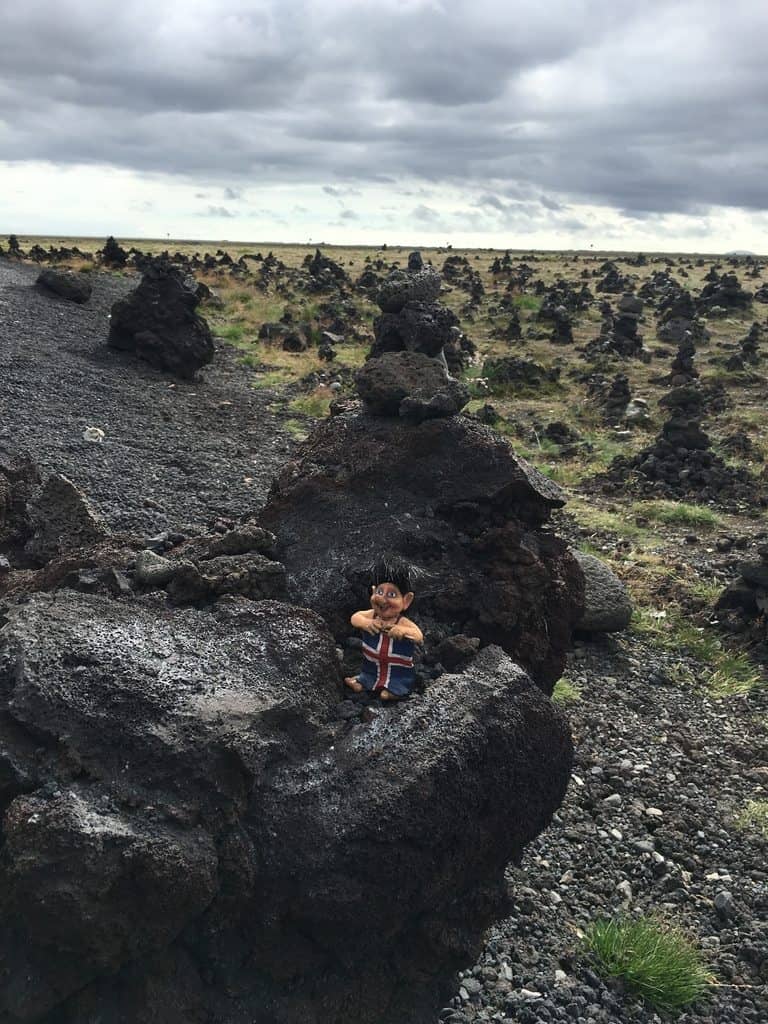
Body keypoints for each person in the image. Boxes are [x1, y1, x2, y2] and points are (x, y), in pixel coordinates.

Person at [344, 557, 424, 701]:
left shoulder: (402, 622)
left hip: (397, 669)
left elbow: (418, 635)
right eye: (380, 592)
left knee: (393, 685)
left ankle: (394, 690)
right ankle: (363, 682)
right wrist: (366, 623)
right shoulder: (372, 615)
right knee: (369, 675)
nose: (382, 599)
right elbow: (355, 617)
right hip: (372, 664)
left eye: (392, 595)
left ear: (406, 601)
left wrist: (403, 631)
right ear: (373, 591)